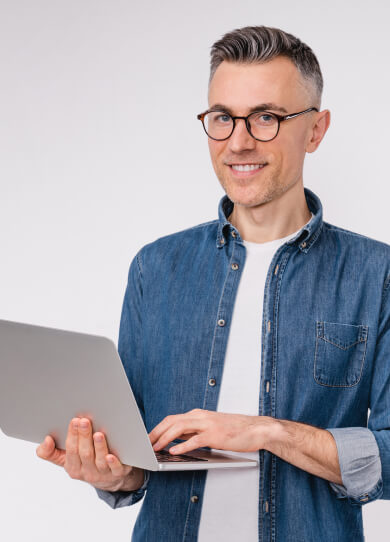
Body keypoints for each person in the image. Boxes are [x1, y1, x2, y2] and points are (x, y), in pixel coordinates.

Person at [36, 25, 390, 542]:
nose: (238, 142)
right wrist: (109, 470)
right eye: (223, 118)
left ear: (316, 129)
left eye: (266, 117)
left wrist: (265, 432)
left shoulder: (375, 275)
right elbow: (137, 461)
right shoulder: (155, 268)